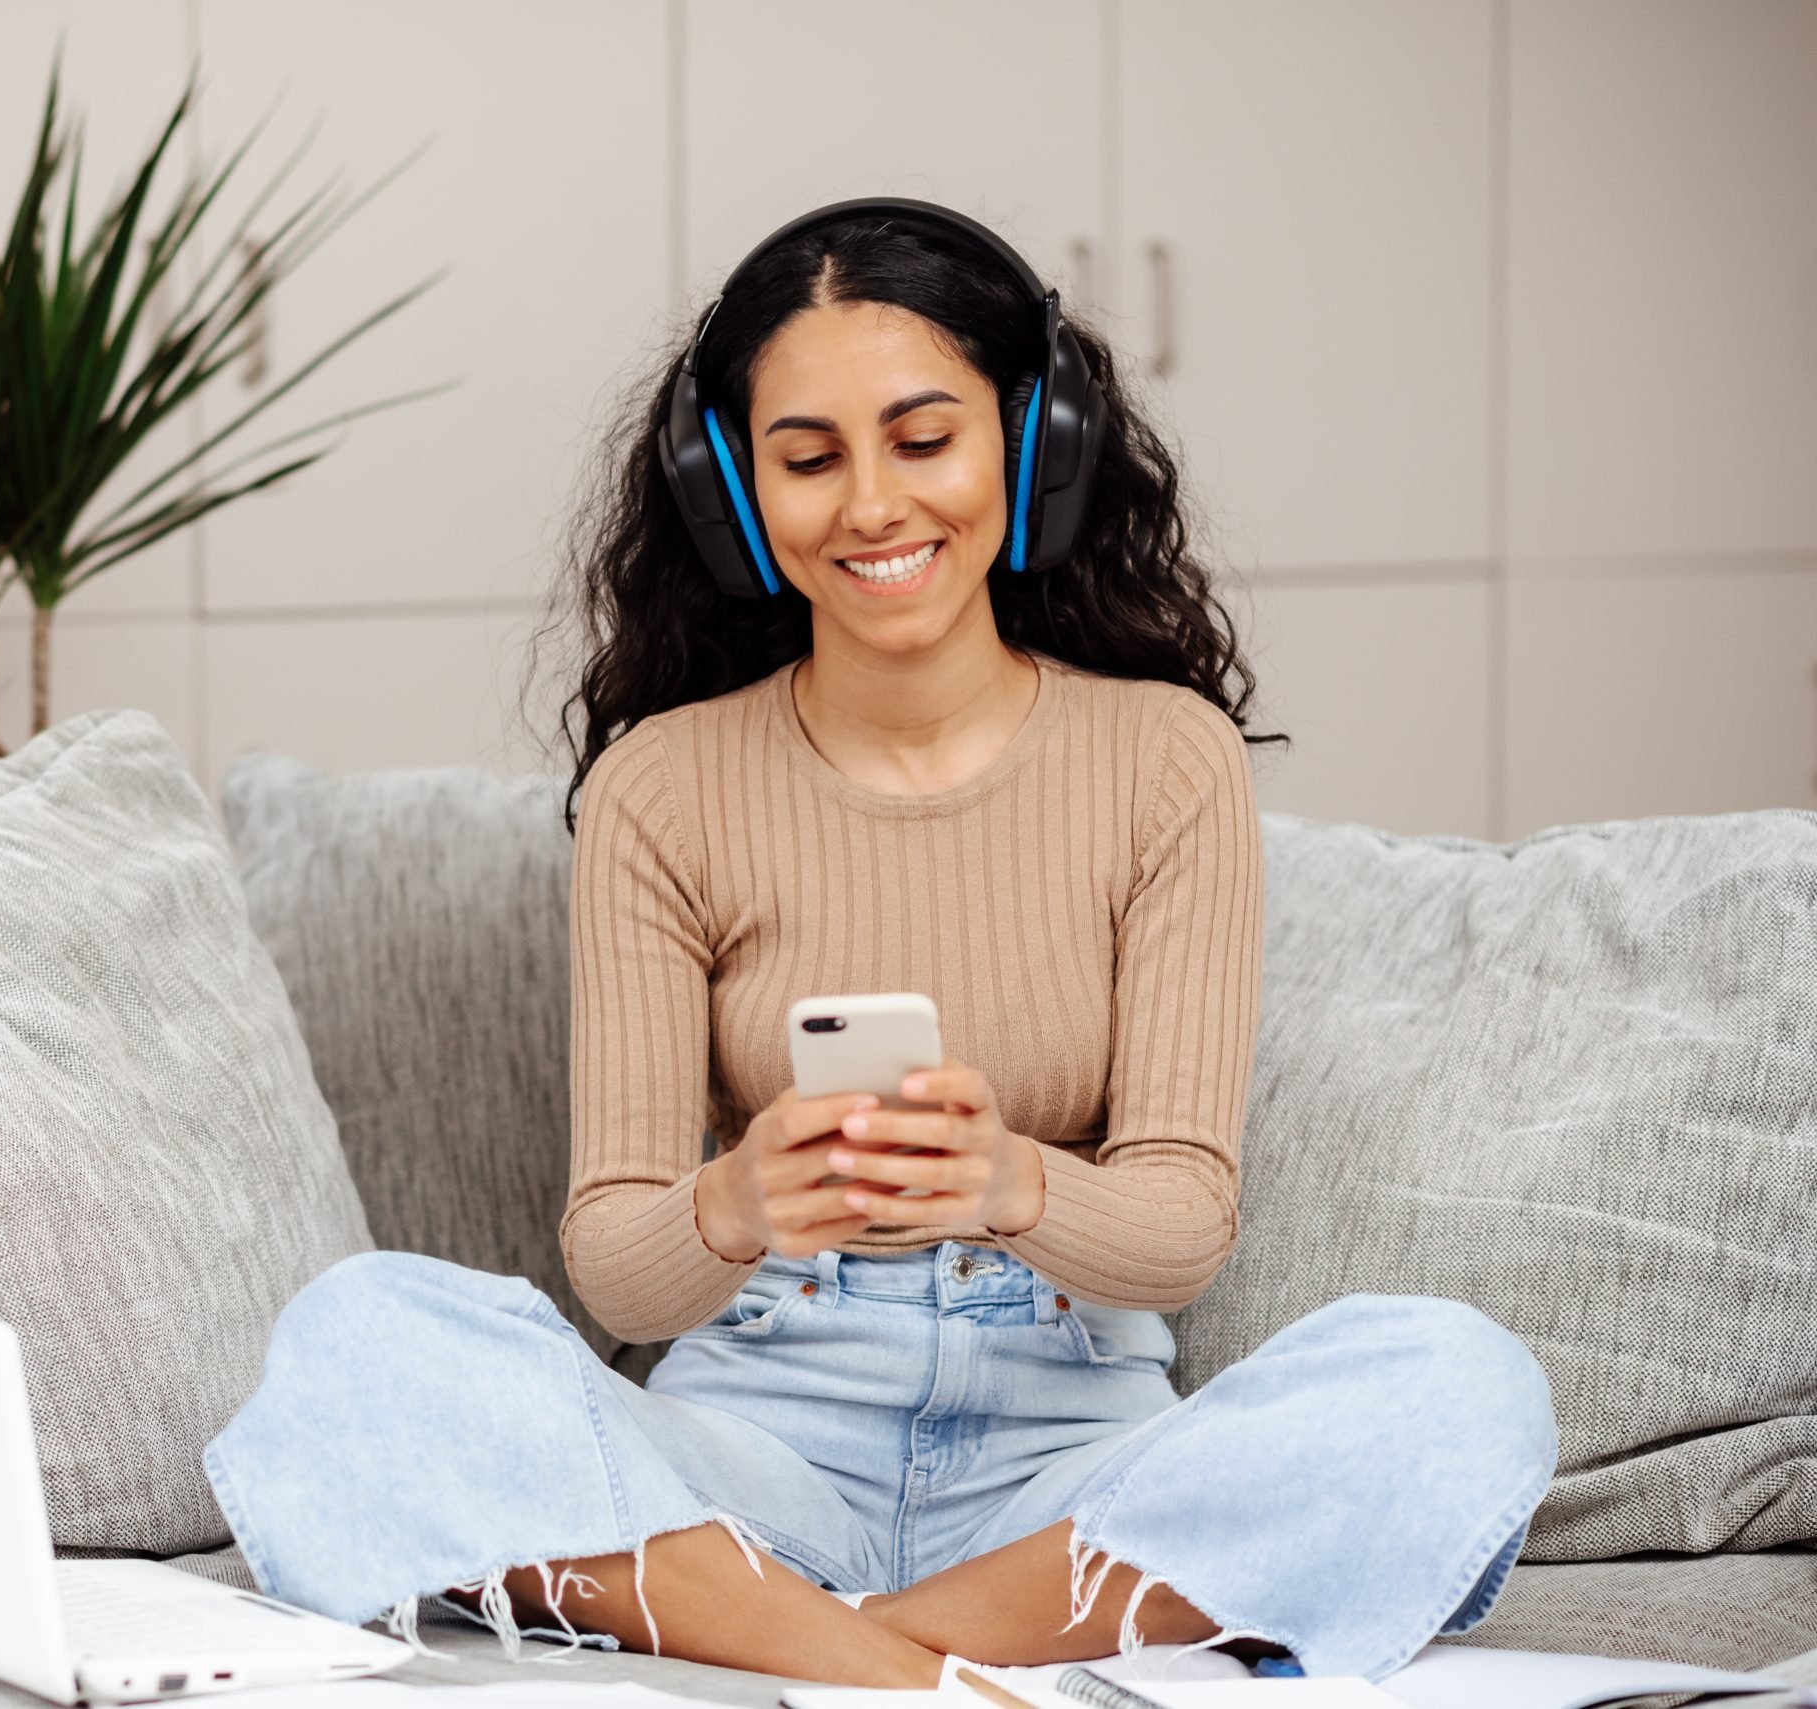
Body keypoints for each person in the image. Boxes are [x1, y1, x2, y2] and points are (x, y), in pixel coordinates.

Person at [203, 200, 1558, 1690]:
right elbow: (619, 1271)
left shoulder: (1169, 759)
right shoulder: (662, 785)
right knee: (356, 1335)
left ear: (1034, 446)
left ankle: (824, 1659)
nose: (871, 506)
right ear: (730, 490)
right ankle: (939, 1679)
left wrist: (1015, 1181)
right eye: (807, 458)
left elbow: (1184, 1222)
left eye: (924, 439)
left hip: (1065, 1466)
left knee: (1462, 1384)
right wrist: (730, 1202)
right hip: (752, 1451)